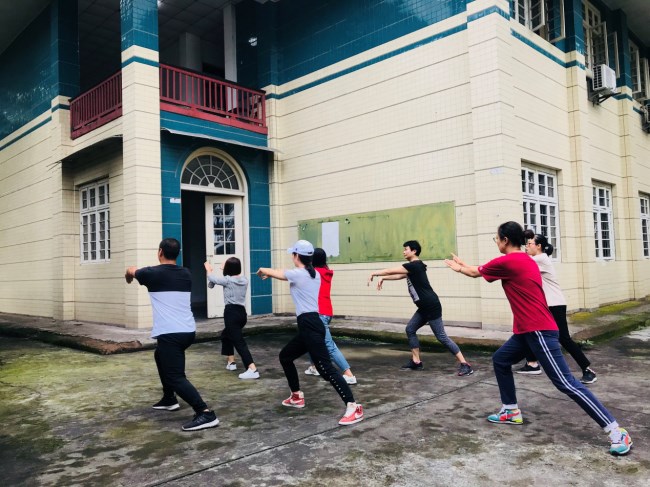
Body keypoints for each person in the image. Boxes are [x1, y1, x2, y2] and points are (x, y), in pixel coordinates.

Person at [444, 221, 632, 455]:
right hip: (526, 331)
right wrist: (465, 265)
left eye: (497, 238)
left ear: (505, 240)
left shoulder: (509, 261)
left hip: (538, 330)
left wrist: (459, 267)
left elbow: (475, 272)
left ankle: (616, 431)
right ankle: (510, 410)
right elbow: (479, 269)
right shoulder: (525, 260)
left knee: (565, 383)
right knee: (501, 359)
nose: (497, 242)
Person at [256, 240, 364, 425]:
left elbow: (277, 272)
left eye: (293, 254)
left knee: (325, 369)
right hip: (310, 325)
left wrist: (263, 270)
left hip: (310, 325)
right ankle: (296, 396)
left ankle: (353, 406)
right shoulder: (313, 274)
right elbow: (283, 273)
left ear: (296, 256)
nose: (292, 256)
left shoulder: (299, 274)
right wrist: (271, 273)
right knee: (286, 356)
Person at [125, 238, 219, 431]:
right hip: (187, 331)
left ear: (160, 252)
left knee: (175, 376)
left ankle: (205, 413)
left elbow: (131, 270)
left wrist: (128, 276)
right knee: (159, 355)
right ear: (178, 254)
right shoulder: (186, 273)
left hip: (171, 333)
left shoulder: (150, 273)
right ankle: (169, 399)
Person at [368, 240, 473, 376]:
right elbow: (399, 275)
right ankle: (416, 361)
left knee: (441, 337)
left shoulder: (415, 265)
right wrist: (384, 279)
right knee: (410, 329)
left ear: (414, 251)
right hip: (423, 307)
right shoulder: (413, 267)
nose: (403, 252)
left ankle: (465, 364)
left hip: (431, 306)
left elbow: (390, 270)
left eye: (406, 249)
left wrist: (374, 273)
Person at [517, 230, 597, 384]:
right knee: (529, 331)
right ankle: (532, 364)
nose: (526, 246)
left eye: (529, 243)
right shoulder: (537, 259)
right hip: (546, 305)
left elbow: (520, 261)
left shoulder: (541, 258)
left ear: (538, 246)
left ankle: (588, 369)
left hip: (555, 304)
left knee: (563, 338)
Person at [304, 248, 357, 385]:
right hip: (326, 311)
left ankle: (348, 374)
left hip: (319, 313)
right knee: (309, 339)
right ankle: (314, 367)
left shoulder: (314, 273)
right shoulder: (325, 272)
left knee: (328, 345)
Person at [204, 257, 259, 380]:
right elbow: (214, 283)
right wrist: (224, 270)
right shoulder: (244, 279)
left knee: (239, 342)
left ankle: (252, 369)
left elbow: (212, 279)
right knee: (226, 336)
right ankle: (231, 362)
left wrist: (208, 269)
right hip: (241, 314)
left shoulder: (227, 280)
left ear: (229, 268)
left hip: (231, 314)